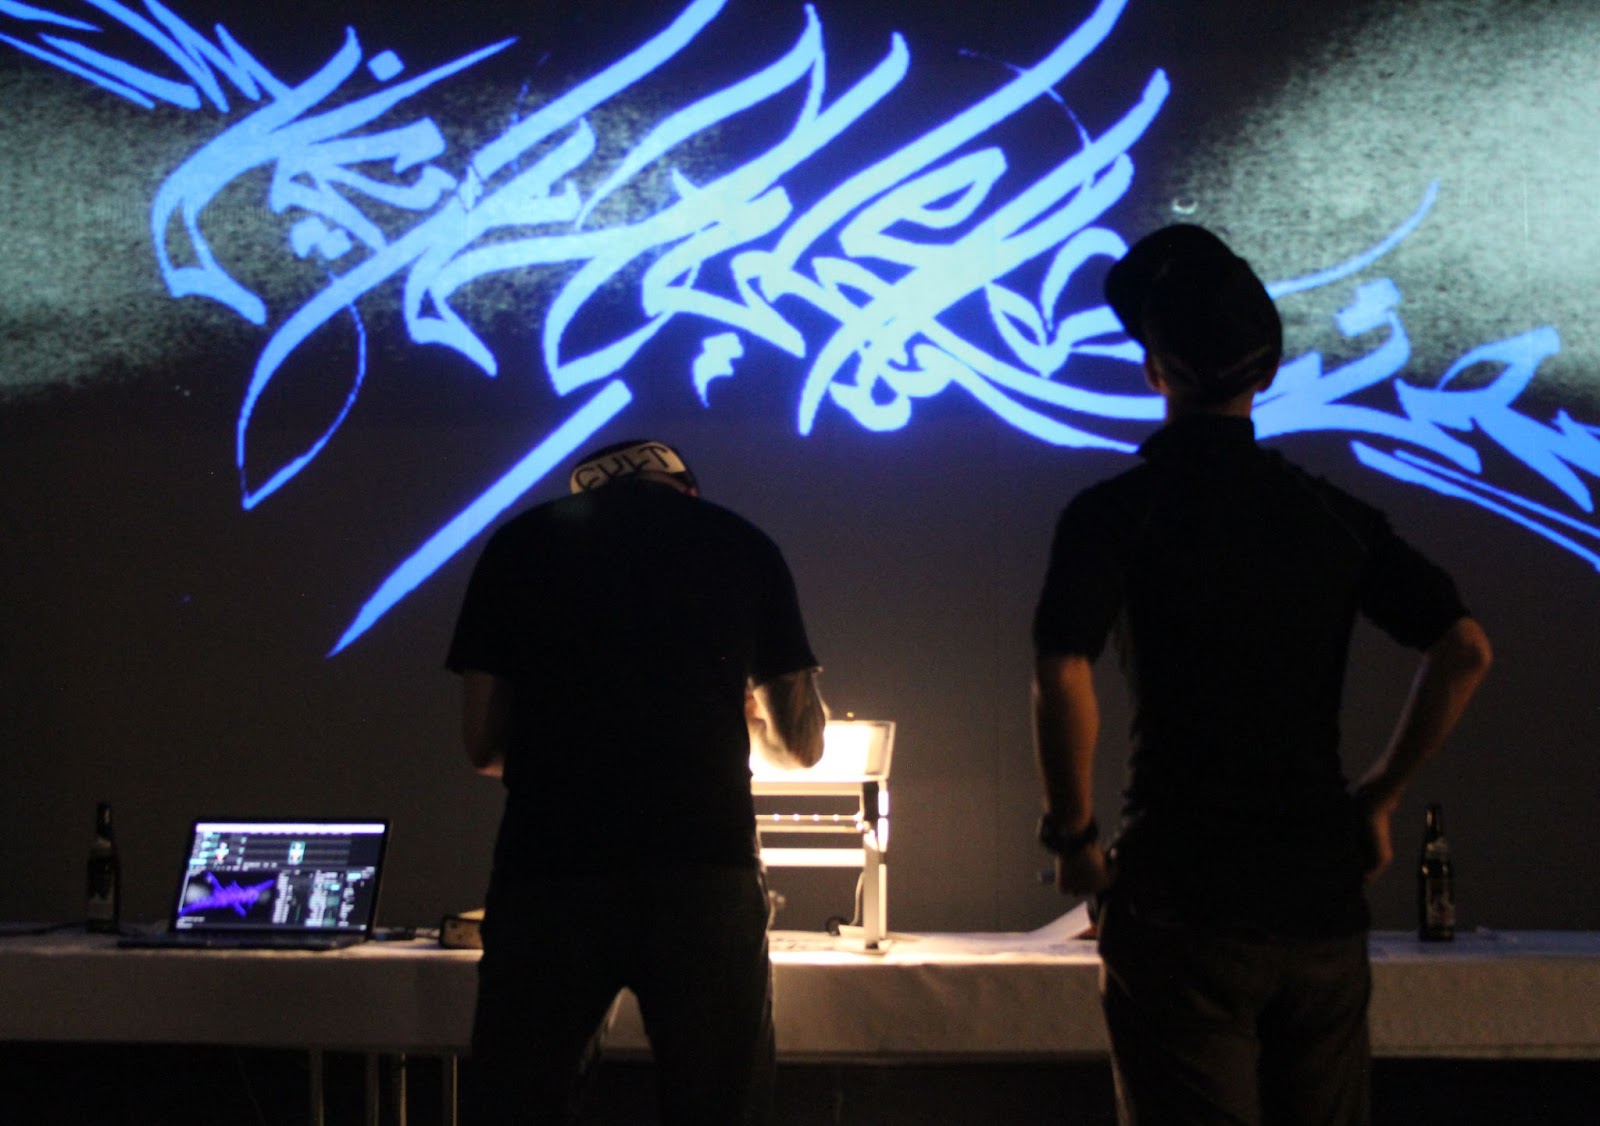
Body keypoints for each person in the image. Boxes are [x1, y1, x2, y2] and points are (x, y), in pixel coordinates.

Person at [1030, 226, 1492, 1125]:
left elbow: (1061, 669)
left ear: (1154, 373)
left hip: (1180, 899)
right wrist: (1379, 796)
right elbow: (1464, 649)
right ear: (1269, 374)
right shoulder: (1329, 515)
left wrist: (1073, 839)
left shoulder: (1114, 514)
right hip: (1318, 903)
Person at [446, 437, 826, 1125]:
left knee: (520, 1104)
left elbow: (481, 746)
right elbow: (800, 748)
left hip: (548, 871)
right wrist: (743, 724)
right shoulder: (743, 545)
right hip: (703, 872)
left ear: (586, 491)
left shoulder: (518, 545)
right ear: (687, 490)